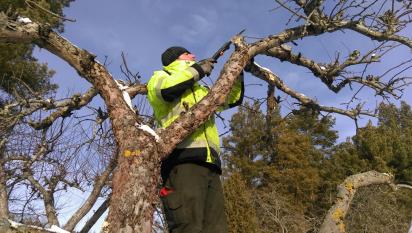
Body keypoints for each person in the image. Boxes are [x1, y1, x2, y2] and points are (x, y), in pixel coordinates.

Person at [147, 46, 244, 233]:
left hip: (211, 165)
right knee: (188, 226)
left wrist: (238, 72)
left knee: (217, 229)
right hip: (182, 161)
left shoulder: (200, 89)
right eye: (187, 54)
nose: (193, 55)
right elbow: (166, 91)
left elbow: (231, 99)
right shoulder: (159, 77)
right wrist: (199, 69)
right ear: (175, 59)